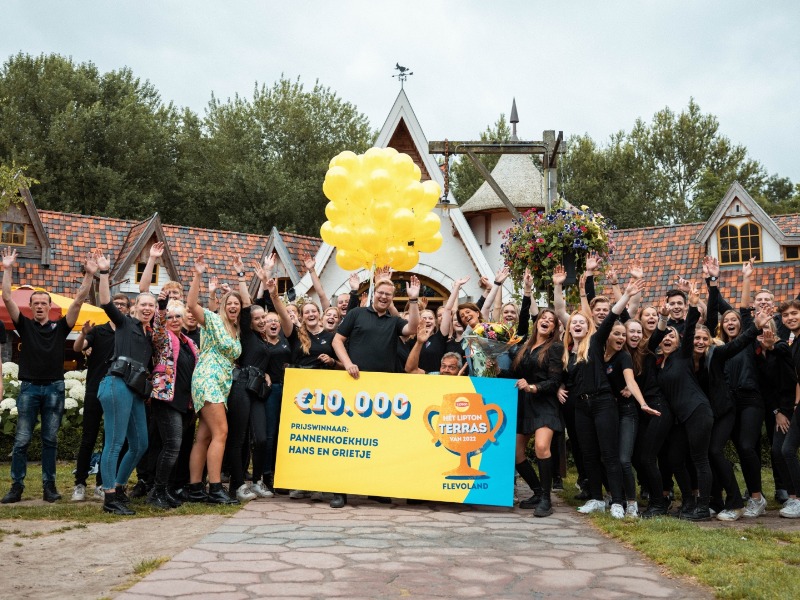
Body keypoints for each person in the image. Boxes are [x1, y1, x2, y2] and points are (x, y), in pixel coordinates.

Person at [1, 248, 96, 504]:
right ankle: (16, 487)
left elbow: (77, 301)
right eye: (36, 304)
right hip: (29, 388)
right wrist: (7, 268)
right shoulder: (25, 325)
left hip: (54, 388)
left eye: (44, 303)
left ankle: (49, 487)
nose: (40, 306)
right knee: (21, 441)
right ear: (30, 308)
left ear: (50, 307)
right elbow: (8, 297)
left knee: (50, 441)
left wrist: (89, 275)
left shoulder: (60, 328)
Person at [562, 278, 650, 519]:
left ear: (588, 326)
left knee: (609, 454)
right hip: (581, 406)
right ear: (570, 328)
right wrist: (559, 386)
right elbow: (564, 378)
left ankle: (619, 502)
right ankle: (597, 499)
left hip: (602, 403)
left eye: (582, 322)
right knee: (589, 453)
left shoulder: (595, 342)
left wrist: (626, 295)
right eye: (574, 323)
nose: (578, 325)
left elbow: (611, 316)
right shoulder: (567, 353)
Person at [331, 275, 420, 507]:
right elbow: (337, 341)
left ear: (391, 298)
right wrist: (347, 362)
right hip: (355, 385)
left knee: (377, 441)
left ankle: (375, 488)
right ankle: (340, 491)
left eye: (388, 295)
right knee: (349, 442)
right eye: (380, 293)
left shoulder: (394, 322)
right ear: (374, 294)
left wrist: (412, 300)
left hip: (383, 390)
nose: (383, 297)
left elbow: (412, 328)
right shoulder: (356, 314)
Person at [93, 251, 156, 515]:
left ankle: (118, 486)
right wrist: (105, 273)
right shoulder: (124, 323)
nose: (147, 308)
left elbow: (146, 289)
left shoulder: (149, 333)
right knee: (115, 443)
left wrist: (152, 260)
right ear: (133, 308)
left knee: (140, 443)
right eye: (142, 304)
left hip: (135, 390)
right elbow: (106, 301)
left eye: (151, 306)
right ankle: (109, 497)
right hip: (116, 384)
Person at [185, 255, 242, 505]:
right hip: (207, 379)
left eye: (236, 304)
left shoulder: (236, 332)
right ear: (223, 306)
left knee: (205, 436)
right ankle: (216, 488)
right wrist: (198, 275)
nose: (233, 306)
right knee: (222, 432)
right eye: (229, 303)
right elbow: (191, 305)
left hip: (221, 384)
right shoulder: (212, 320)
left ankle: (195, 487)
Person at [71, 293, 131, 503]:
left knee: (110, 439)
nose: (120, 307)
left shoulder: (129, 332)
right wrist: (82, 335)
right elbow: (78, 348)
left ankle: (100, 483)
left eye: (124, 305)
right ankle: (79, 483)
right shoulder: (98, 330)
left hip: (118, 392)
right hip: (95, 389)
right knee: (89, 437)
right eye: (117, 304)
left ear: (128, 309)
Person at [222, 257, 273, 502]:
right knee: (239, 438)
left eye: (264, 318)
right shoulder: (247, 334)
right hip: (241, 386)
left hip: (259, 390)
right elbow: (247, 304)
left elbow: (260, 304)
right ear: (249, 322)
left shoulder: (264, 339)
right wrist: (242, 276)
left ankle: (257, 481)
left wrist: (267, 373)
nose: (262, 321)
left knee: (261, 438)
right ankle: (238, 484)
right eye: (257, 319)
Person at [505, 309, 564, 518]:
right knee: (516, 453)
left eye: (551, 321)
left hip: (544, 403)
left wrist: (532, 387)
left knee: (541, 446)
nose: (546, 321)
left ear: (554, 328)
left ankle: (547, 500)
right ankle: (538, 492)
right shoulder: (524, 348)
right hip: (524, 404)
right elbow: (513, 374)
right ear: (537, 322)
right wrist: (492, 365)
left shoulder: (555, 347)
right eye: (543, 318)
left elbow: (554, 381)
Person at [147, 291, 198, 509]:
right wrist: (161, 307)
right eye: (170, 317)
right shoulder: (163, 339)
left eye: (178, 316)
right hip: (166, 398)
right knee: (171, 447)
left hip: (184, 401)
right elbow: (157, 328)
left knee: (173, 448)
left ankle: (164, 490)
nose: (174, 320)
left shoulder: (189, 342)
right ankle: (156, 492)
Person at [776, 299, 800, 518]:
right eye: (786, 316)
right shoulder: (795, 343)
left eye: (794, 313)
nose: (790, 318)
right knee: (786, 450)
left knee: (787, 450)